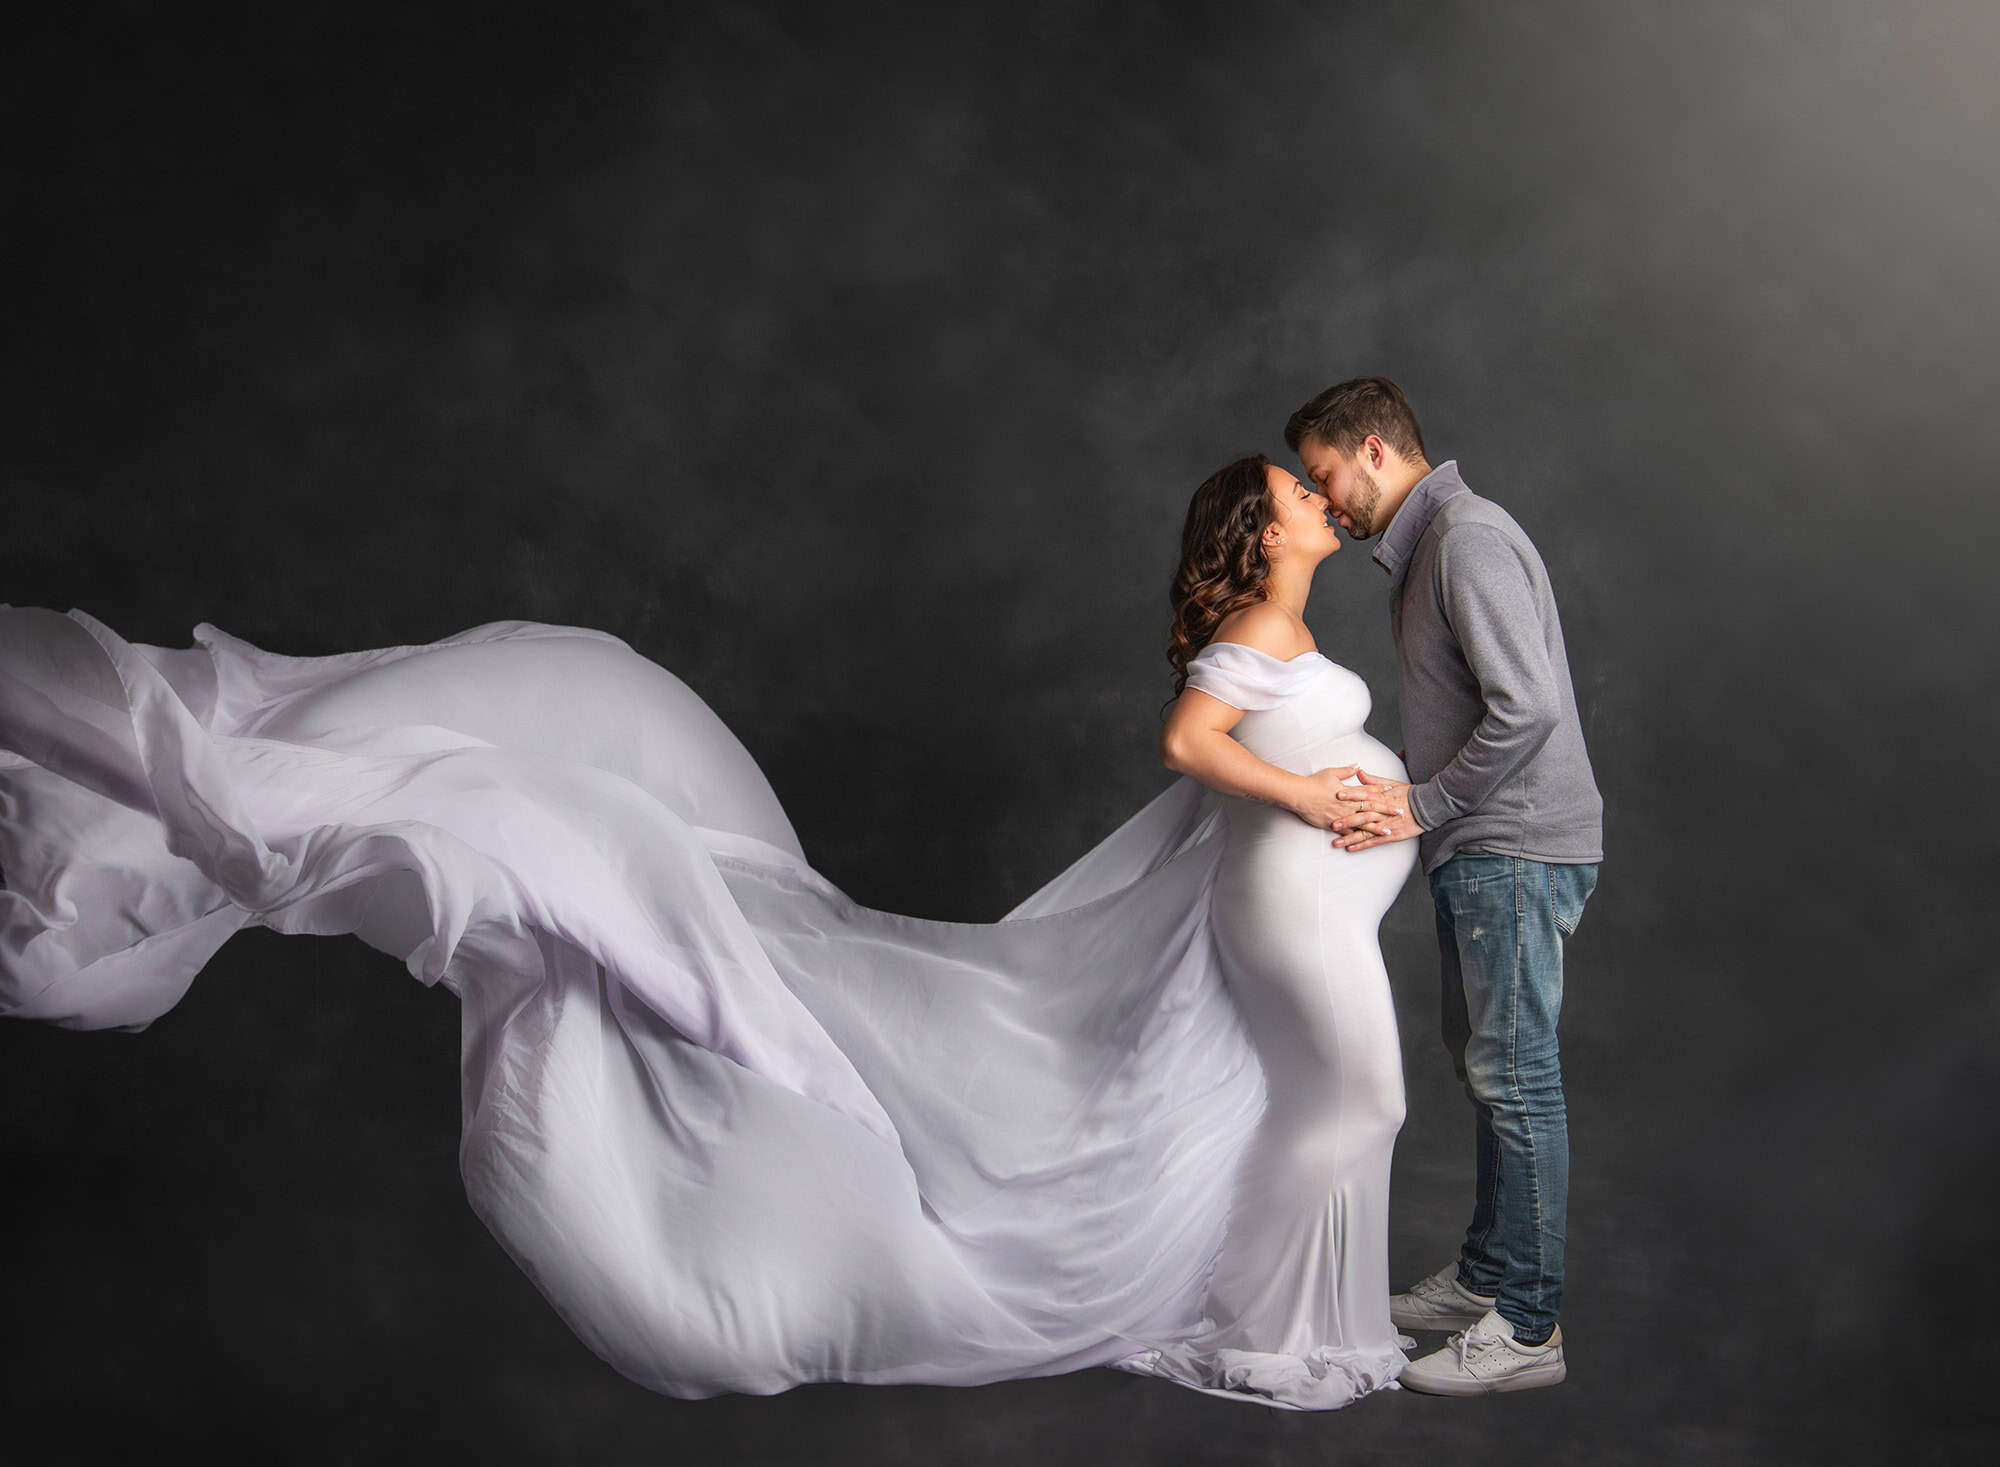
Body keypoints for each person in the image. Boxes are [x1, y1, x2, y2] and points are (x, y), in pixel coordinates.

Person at [0, 449, 1417, 1413]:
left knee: (582, 783)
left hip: (1202, 961)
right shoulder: (1248, 642)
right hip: (1149, 955)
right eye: (1303, 490)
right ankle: (150, 813)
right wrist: (1315, 790)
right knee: (579, 733)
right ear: (1266, 531)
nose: (1318, 498)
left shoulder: (1282, 639)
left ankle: (164, 811)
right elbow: (1196, 749)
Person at [1285, 376, 1604, 1395]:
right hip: (1483, 850)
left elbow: (1529, 709)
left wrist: (1420, 808)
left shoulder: (1464, 537)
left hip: (1511, 846)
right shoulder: (1430, 549)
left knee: (1515, 1079)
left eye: (1324, 474)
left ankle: (1527, 1331)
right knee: (1483, 1069)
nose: (1322, 498)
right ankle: (1487, 1280)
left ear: (1373, 450)